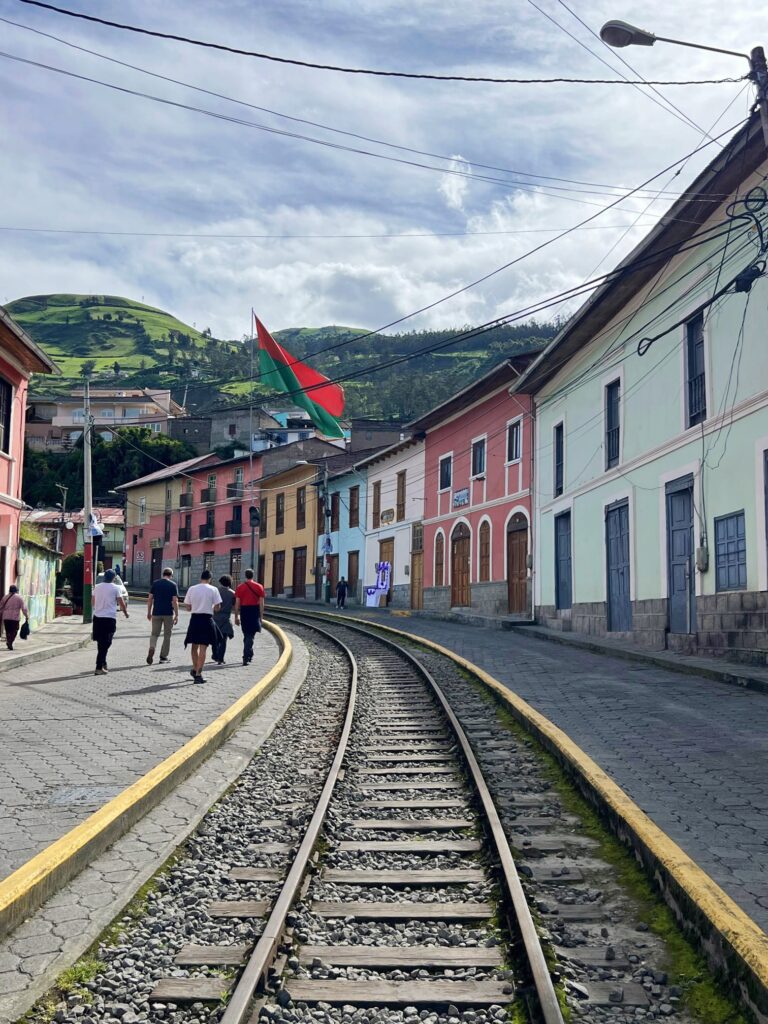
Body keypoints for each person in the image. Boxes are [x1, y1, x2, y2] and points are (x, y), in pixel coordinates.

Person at [183, 569, 221, 684]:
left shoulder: (192, 589)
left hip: (194, 620)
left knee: (194, 647)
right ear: (210, 579)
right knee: (203, 648)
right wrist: (212, 607)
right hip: (207, 620)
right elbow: (217, 607)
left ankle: (195, 669)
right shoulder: (213, 589)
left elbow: (188, 607)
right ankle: (198, 674)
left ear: (201, 578)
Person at [92, 568, 129, 675]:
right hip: (109, 618)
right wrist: (126, 613)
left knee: (101, 642)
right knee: (107, 642)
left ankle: (103, 663)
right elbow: (121, 603)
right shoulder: (116, 588)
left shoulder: (97, 587)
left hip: (98, 618)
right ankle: (99, 667)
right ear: (114, 578)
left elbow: (93, 602)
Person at [146, 567, 179, 664]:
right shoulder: (173, 585)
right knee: (167, 635)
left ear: (163, 574)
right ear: (171, 575)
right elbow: (175, 601)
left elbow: (150, 599)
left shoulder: (155, 583)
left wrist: (149, 612)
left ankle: (152, 647)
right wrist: (176, 614)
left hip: (156, 613)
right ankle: (163, 657)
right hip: (168, 613)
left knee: (154, 634)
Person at [234, 568, 265, 666]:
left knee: (247, 634)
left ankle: (249, 653)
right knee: (250, 635)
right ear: (253, 575)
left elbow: (237, 603)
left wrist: (236, 616)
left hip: (244, 611)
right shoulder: (259, 586)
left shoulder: (240, 587)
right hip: (254, 611)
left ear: (245, 575)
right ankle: (246, 656)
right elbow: (261, 604)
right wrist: (261, 617)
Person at [212, 574, 236, 665]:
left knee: (215, 638)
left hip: (215, 617)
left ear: (220, 582)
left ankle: (215, 654)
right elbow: (234, 606)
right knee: (223, 640)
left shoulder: (215, 591)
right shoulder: (232, 593)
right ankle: (220, 658)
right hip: (226, 618)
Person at [0, 585, 29, 650]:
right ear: (16, 590)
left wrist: (2, 615)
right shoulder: (19, 598)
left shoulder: (5, 597)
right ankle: (10, 642)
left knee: (8, 631)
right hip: (15, 618)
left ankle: (9, 641)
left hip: (6, 617)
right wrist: (26, 615)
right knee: (15, 630)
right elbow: (24, 608)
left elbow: (1, 607)